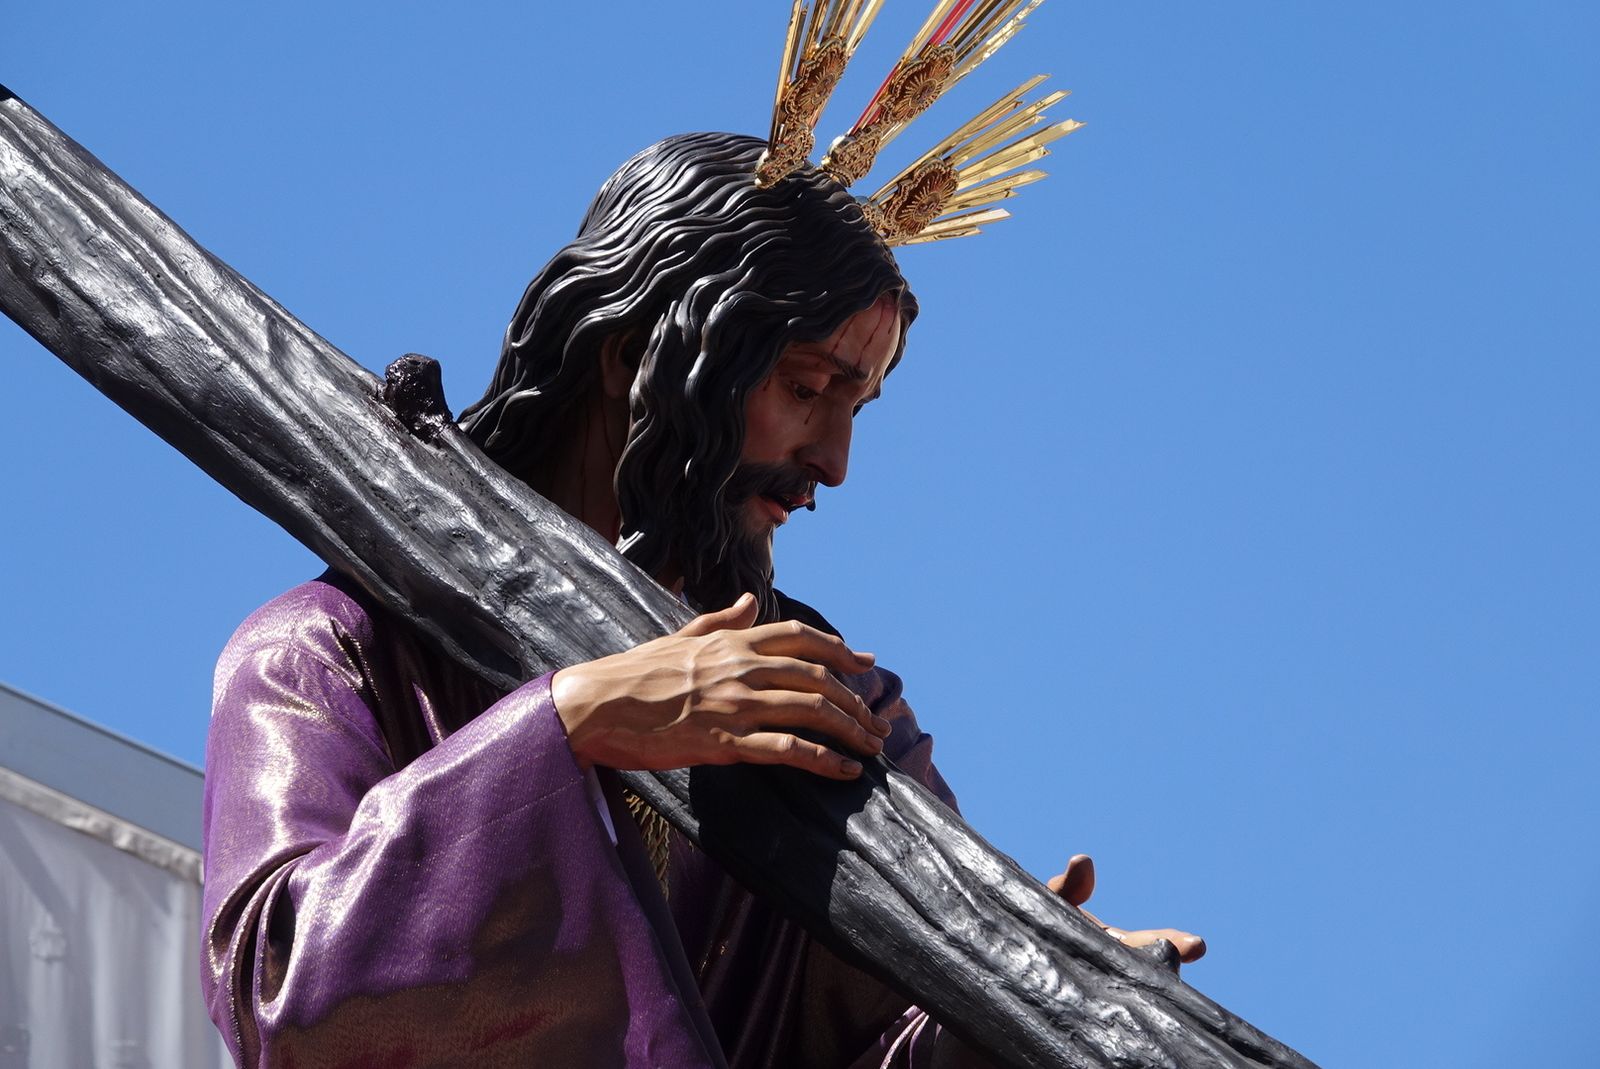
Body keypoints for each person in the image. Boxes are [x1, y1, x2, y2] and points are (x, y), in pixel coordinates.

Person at [201, 132, 1199, 1068]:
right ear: (634, 359)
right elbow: (285, 996)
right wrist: (573, 724)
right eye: (807, 389)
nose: (835, 463)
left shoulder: (833, 714)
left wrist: (1022, 1007)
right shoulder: (330, 654)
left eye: (856, 408)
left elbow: (872, 1045)